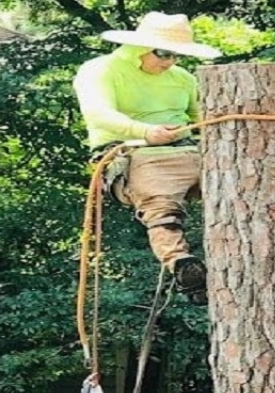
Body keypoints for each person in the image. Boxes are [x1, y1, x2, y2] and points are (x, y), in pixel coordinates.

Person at [73, 12, 221, 305]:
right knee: (160, 204)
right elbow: (98, 113)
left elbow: (199, 116)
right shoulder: (100, 70)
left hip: (190, 149)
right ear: (139, 47)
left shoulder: (183, 78)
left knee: (239, 189)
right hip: (132, 151)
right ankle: (181, 263)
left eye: (176, 55)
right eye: (163, 53)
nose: (170, 62)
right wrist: (144, 131)